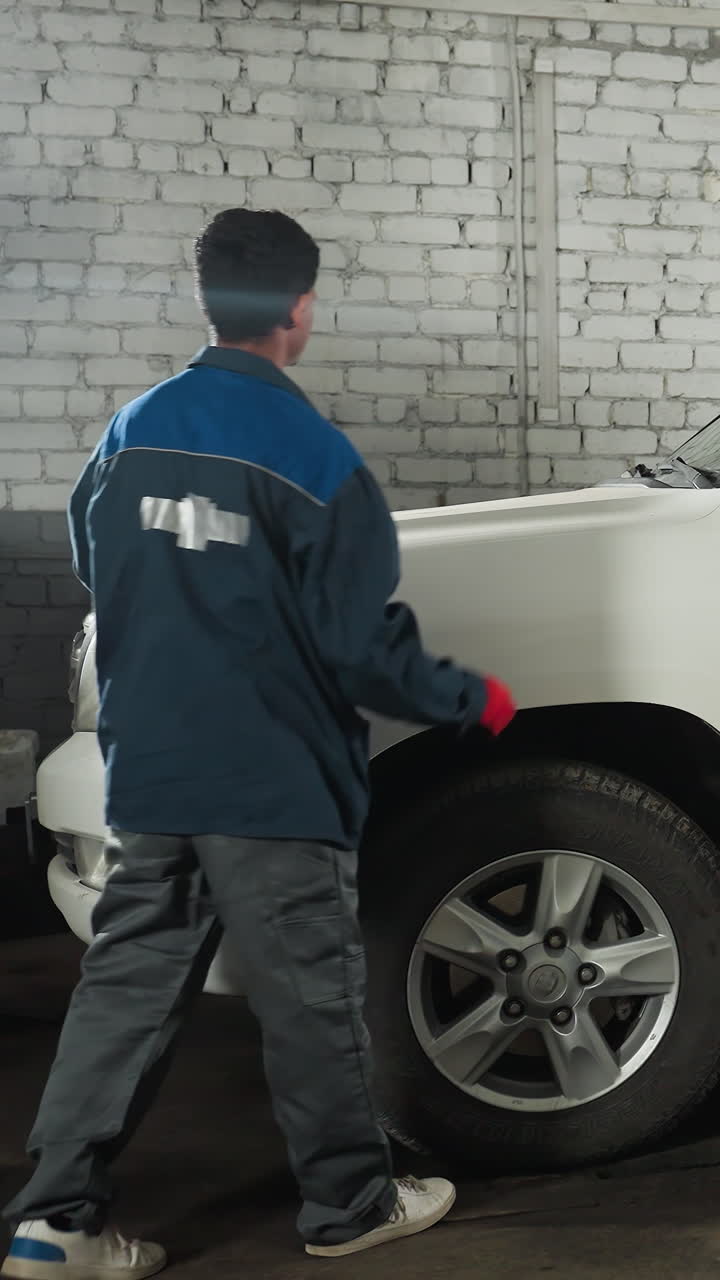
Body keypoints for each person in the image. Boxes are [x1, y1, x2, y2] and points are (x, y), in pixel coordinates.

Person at [2, 209, 516, 1280]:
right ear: (300, 307)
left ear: (206, 301)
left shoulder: (132, 427)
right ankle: (350, 1204)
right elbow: (361, 648)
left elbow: (101, 566)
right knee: (309, 997)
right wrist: (475, 698)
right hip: (272, 774)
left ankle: (55, 1223)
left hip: (153, 766)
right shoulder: (316, 458)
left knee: (128, 988)